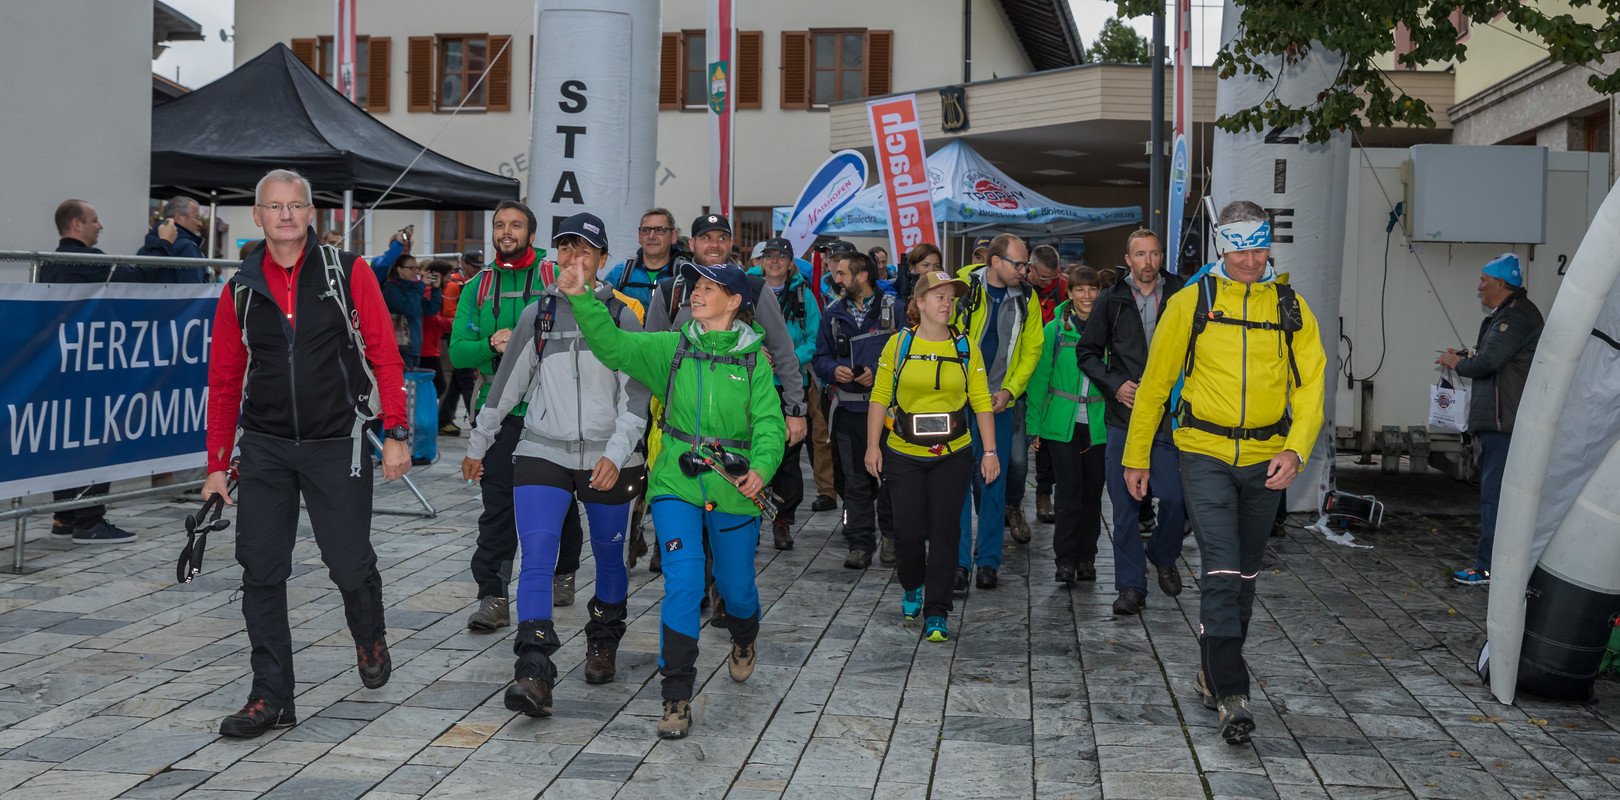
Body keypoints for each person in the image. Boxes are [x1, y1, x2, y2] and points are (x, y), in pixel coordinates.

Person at [204, 168, 411, 738]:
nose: (286, 215)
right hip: (267, 447)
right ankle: (271, 696)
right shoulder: (241, 288)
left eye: (295, 205)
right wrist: (217, 464)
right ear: (259, 216)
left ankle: (369, 636)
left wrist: (396, 431)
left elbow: (384, 355)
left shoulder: (348, 273)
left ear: (311, 214)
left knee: (347, 563)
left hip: (335, 444)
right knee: (261, 570)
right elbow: (224, 380)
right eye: (275, 206)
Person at [1124, 200, 1327, 745]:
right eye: (1240, 249)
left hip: (1267, 459)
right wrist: (1136, 456)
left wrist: (1297, 449)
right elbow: (1157, 381)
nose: (1250, 260)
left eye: (1259, 248)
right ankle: (1232, 692)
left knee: (1245, 576)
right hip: (1204, 453)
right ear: (1222, 247)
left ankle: (1211, 668)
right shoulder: (1191, 303)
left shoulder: (1290, 307)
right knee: (1219, 568)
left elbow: (1312, 386)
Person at [557, 256, 784, 740]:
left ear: (736, 301)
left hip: (735, 487)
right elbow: (613, 346)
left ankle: (744, 637)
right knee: (682, 585)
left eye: (709, 286)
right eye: (695, 284)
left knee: (736, 586)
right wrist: (581, 297)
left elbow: (770, 425)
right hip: (676, 484)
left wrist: (761, 469)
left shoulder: (754, 360)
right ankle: (676, 697)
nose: (696, 292)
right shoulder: (671, 348)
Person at [461, 213, 648, 717]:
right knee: (536, 557)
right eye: (566, 249)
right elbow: (505, 390)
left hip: (612, 458)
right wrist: (479, 443)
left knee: (609, 559)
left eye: (585, 251)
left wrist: (614, 455)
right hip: (543, 449)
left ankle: (604, 637)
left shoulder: (624, 316)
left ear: (602, 261)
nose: (574, 259)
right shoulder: (537, 315)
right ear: (554, 257)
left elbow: (637, 398)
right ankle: (533, 669)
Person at [451, 202, 589, 629]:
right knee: (496, 506)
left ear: (532, 233)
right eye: (499, 225)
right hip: (499, 412)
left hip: (550, 410)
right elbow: (458, 352)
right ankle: (492, 595)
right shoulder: (477, 287)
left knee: (561, 502)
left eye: (515, 225)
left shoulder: (555, 277)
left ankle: (563, 571)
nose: (506, 232)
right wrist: (493, 345)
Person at [866, 270, 998, 643]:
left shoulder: (966, 347)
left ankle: (937, 611)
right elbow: (879, 396)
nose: (946, 304)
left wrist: (989, 451)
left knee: (945, 532)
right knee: (907, 533)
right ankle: (912, 585)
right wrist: (872, 445)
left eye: (951, 298)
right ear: (919, 303)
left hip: (953, 454)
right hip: (904, 454)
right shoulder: (899, 344)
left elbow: (981, 401)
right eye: (938, 297)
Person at [1075, 229, 1189, 616]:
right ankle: (1130, 587)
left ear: (1162, 257)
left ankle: (1162, 552)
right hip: (1125, 416)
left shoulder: (1183, 292)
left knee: (1175, 497)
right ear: (1128, 259)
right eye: (1140, 255)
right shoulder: (1112, 299)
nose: (1148, 262)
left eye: (1155, 254)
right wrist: (1114, 384)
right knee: (1123, 506)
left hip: (1170, 418)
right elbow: (1087, 352)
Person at [38, 199, 139, 545]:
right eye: (95, 220)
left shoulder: (48, 264)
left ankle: (65, 515)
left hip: (60, 369)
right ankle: (89, 520)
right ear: (76, 225)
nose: (101, 226)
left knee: (67, 440)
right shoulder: (86, 261)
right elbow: (135, 276)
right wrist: (161, 243)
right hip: (90, 370)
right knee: (97, 438)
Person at [1438, 252, 1543, 586]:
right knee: (1500, 496)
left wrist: (1460, 364)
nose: (1479, 286)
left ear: (1501, 283)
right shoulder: (1510, 314)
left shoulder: (1514, 317)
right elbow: (1493, 356)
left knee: (1496, 497)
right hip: (1504, 420)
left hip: (1504, 422)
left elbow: (1490, 361)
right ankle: (1500, 566)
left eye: (1484, 280)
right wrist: (1468, 356)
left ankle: (1488, 569)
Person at [952, 234, 1044, 592]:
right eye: (1018, 264)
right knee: (958, 481)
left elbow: (1032, 348)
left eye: (1025, 265)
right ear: (995, 262)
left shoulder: (1028, 296)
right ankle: (958, 562)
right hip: (958, 401)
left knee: (994, 480)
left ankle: (987, 561)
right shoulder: (960, 287)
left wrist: (1010, 390)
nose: (1024, 271)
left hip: (999, 402)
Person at [814, 252, 900, 568]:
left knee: (891, 479)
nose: (835, 279)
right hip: (848, 411)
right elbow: (819, 356)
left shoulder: (894, 309)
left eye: (841, 274)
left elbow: (906, 354)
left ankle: (891, 538)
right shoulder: (833, 314)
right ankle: (860, 543)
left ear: (861, 276)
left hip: (888, 415)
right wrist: (833, 370)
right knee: (855, 482)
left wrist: (877, 374)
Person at [1026, 266, 1107, 583]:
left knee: (1093, 495)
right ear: (1069, 293)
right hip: (1062, 424)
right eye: (1080, 289)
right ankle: (1065, 561)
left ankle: (1087, 558)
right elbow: (1039, 379)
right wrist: (1034, 426)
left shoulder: (1109, 327)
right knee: (1069, 494)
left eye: (1093, 289)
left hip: (1099, 424)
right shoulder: (1054, 331)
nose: (1087, 296)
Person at [747, 237, 820, 550]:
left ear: (791, 262)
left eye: (781, 256)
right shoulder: (746, 291)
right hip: (753, 385)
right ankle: (749, 517)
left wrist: (787, 358)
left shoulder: (804, 295)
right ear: (761, 261)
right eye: (769, 255)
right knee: (752, 450)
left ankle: (782, 520)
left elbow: (814, 339)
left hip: (789, 386)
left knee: (788, 458)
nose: (775, 261)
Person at [1025, 246, 1070, 525]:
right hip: (1026, 367)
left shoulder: (1063, 287)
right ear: (1030, 267)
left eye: (1052, 277)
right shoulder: (1019, 286)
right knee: (1030, 438)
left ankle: (1044, 493)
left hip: (1053, 367)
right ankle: (1022, 498)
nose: (1047, 282)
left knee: (1048, 436)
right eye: (1042, 277)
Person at [438, 252, 481, 435]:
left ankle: (443, 420)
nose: (476, 269)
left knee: (457, 383)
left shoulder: (473, 283)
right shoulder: (454, 285)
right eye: (473, 265)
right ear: (464, 263)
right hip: (453, 338)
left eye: (479, 266)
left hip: (465, 336)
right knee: (466, 382)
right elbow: (448, 312)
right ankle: (477, 424)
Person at [604, 208, 681, 308]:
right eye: (645, 230)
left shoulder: (684, 275)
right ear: (639, 236)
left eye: (660, 230)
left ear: (673, 236)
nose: (651, 236)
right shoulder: (620, 273)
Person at [382, 254, 442, 370]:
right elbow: (410, 309)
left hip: (414, 346)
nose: (416, 271)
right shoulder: (392, 288)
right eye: (411, 268)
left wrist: (435, 290)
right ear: (399, 269)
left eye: (417, 268)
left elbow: (430, 310)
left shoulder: (414, 288)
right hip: (400, 347)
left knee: (412, 386)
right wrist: (420, 285)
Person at [136, 196, 210, 282]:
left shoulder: (146, 247)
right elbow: (194, 289)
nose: (200, 223)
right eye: (197, 218)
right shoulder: (187, 246)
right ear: (179, 218)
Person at [419, 260, 456, 432]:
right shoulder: (428, 291)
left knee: (438, 383)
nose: (451, 279)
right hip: (425, 346)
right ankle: (424, 413)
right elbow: (430, 316)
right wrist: (449, 323)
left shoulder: (435, 291)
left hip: (430, 344)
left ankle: (426, 413)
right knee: (439, 383)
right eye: (448, 275)